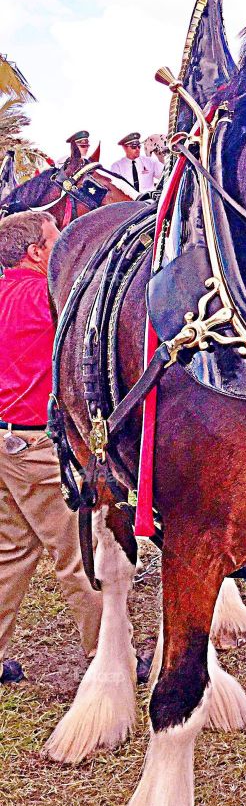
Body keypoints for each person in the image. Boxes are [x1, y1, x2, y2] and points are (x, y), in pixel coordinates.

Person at [0, 211, 102, 683]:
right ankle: (106, 656)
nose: (65, 247)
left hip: (5, 441)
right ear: (36, 253)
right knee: (78, 553)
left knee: (12, 551)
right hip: (37, 446)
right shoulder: (46, 295)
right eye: (57, 240)